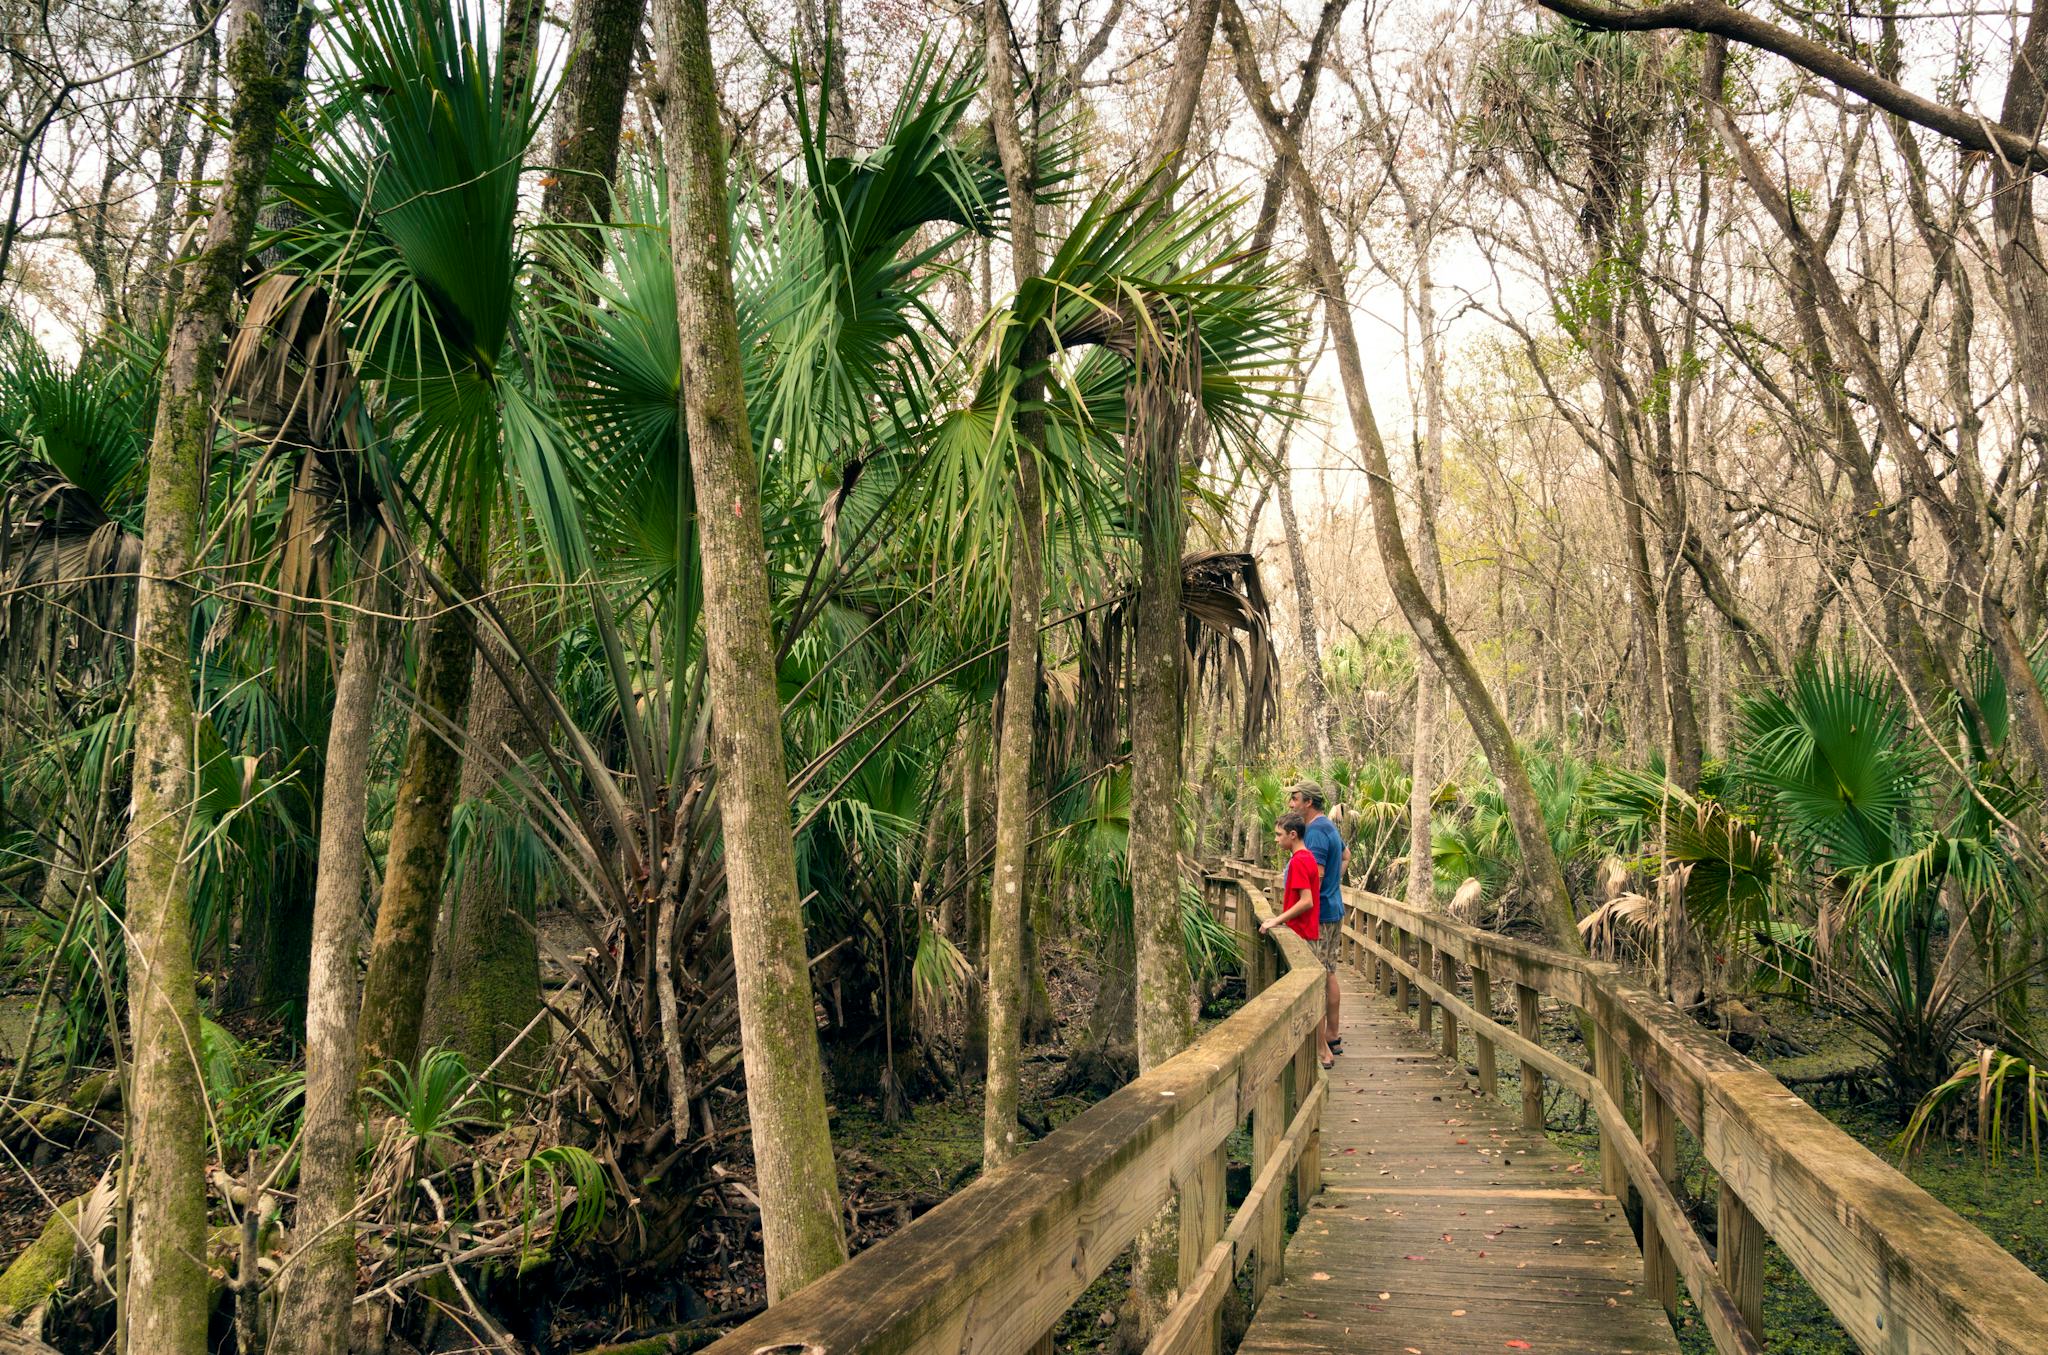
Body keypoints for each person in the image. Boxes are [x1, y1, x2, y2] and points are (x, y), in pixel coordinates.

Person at [1262, 813, 1335, 1067]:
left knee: (1309, 1001)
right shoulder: (1305, 859)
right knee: (1310, 998)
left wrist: (1276, 920)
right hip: (1306, 934)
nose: (1276, 839)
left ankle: (1322, 1052)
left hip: (1304, 936)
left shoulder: (1299, 862)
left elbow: (1307, 901)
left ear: (1293, 835)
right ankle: (1320, 1051)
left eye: (1279, 834)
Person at [1290, 782, 1346, 1059]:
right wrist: (1333, 886)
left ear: (1308, 802)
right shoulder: (1330, 828)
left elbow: (1318, 874)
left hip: (1320, 915)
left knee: (1318, 976)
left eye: (1295, 798)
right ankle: (1331, 1035)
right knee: (1329, 971)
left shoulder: (1314, 832)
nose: (1291, 803)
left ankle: (1323, 1046)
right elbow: (1345, 856)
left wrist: (1312, 897)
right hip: (1333, 907)